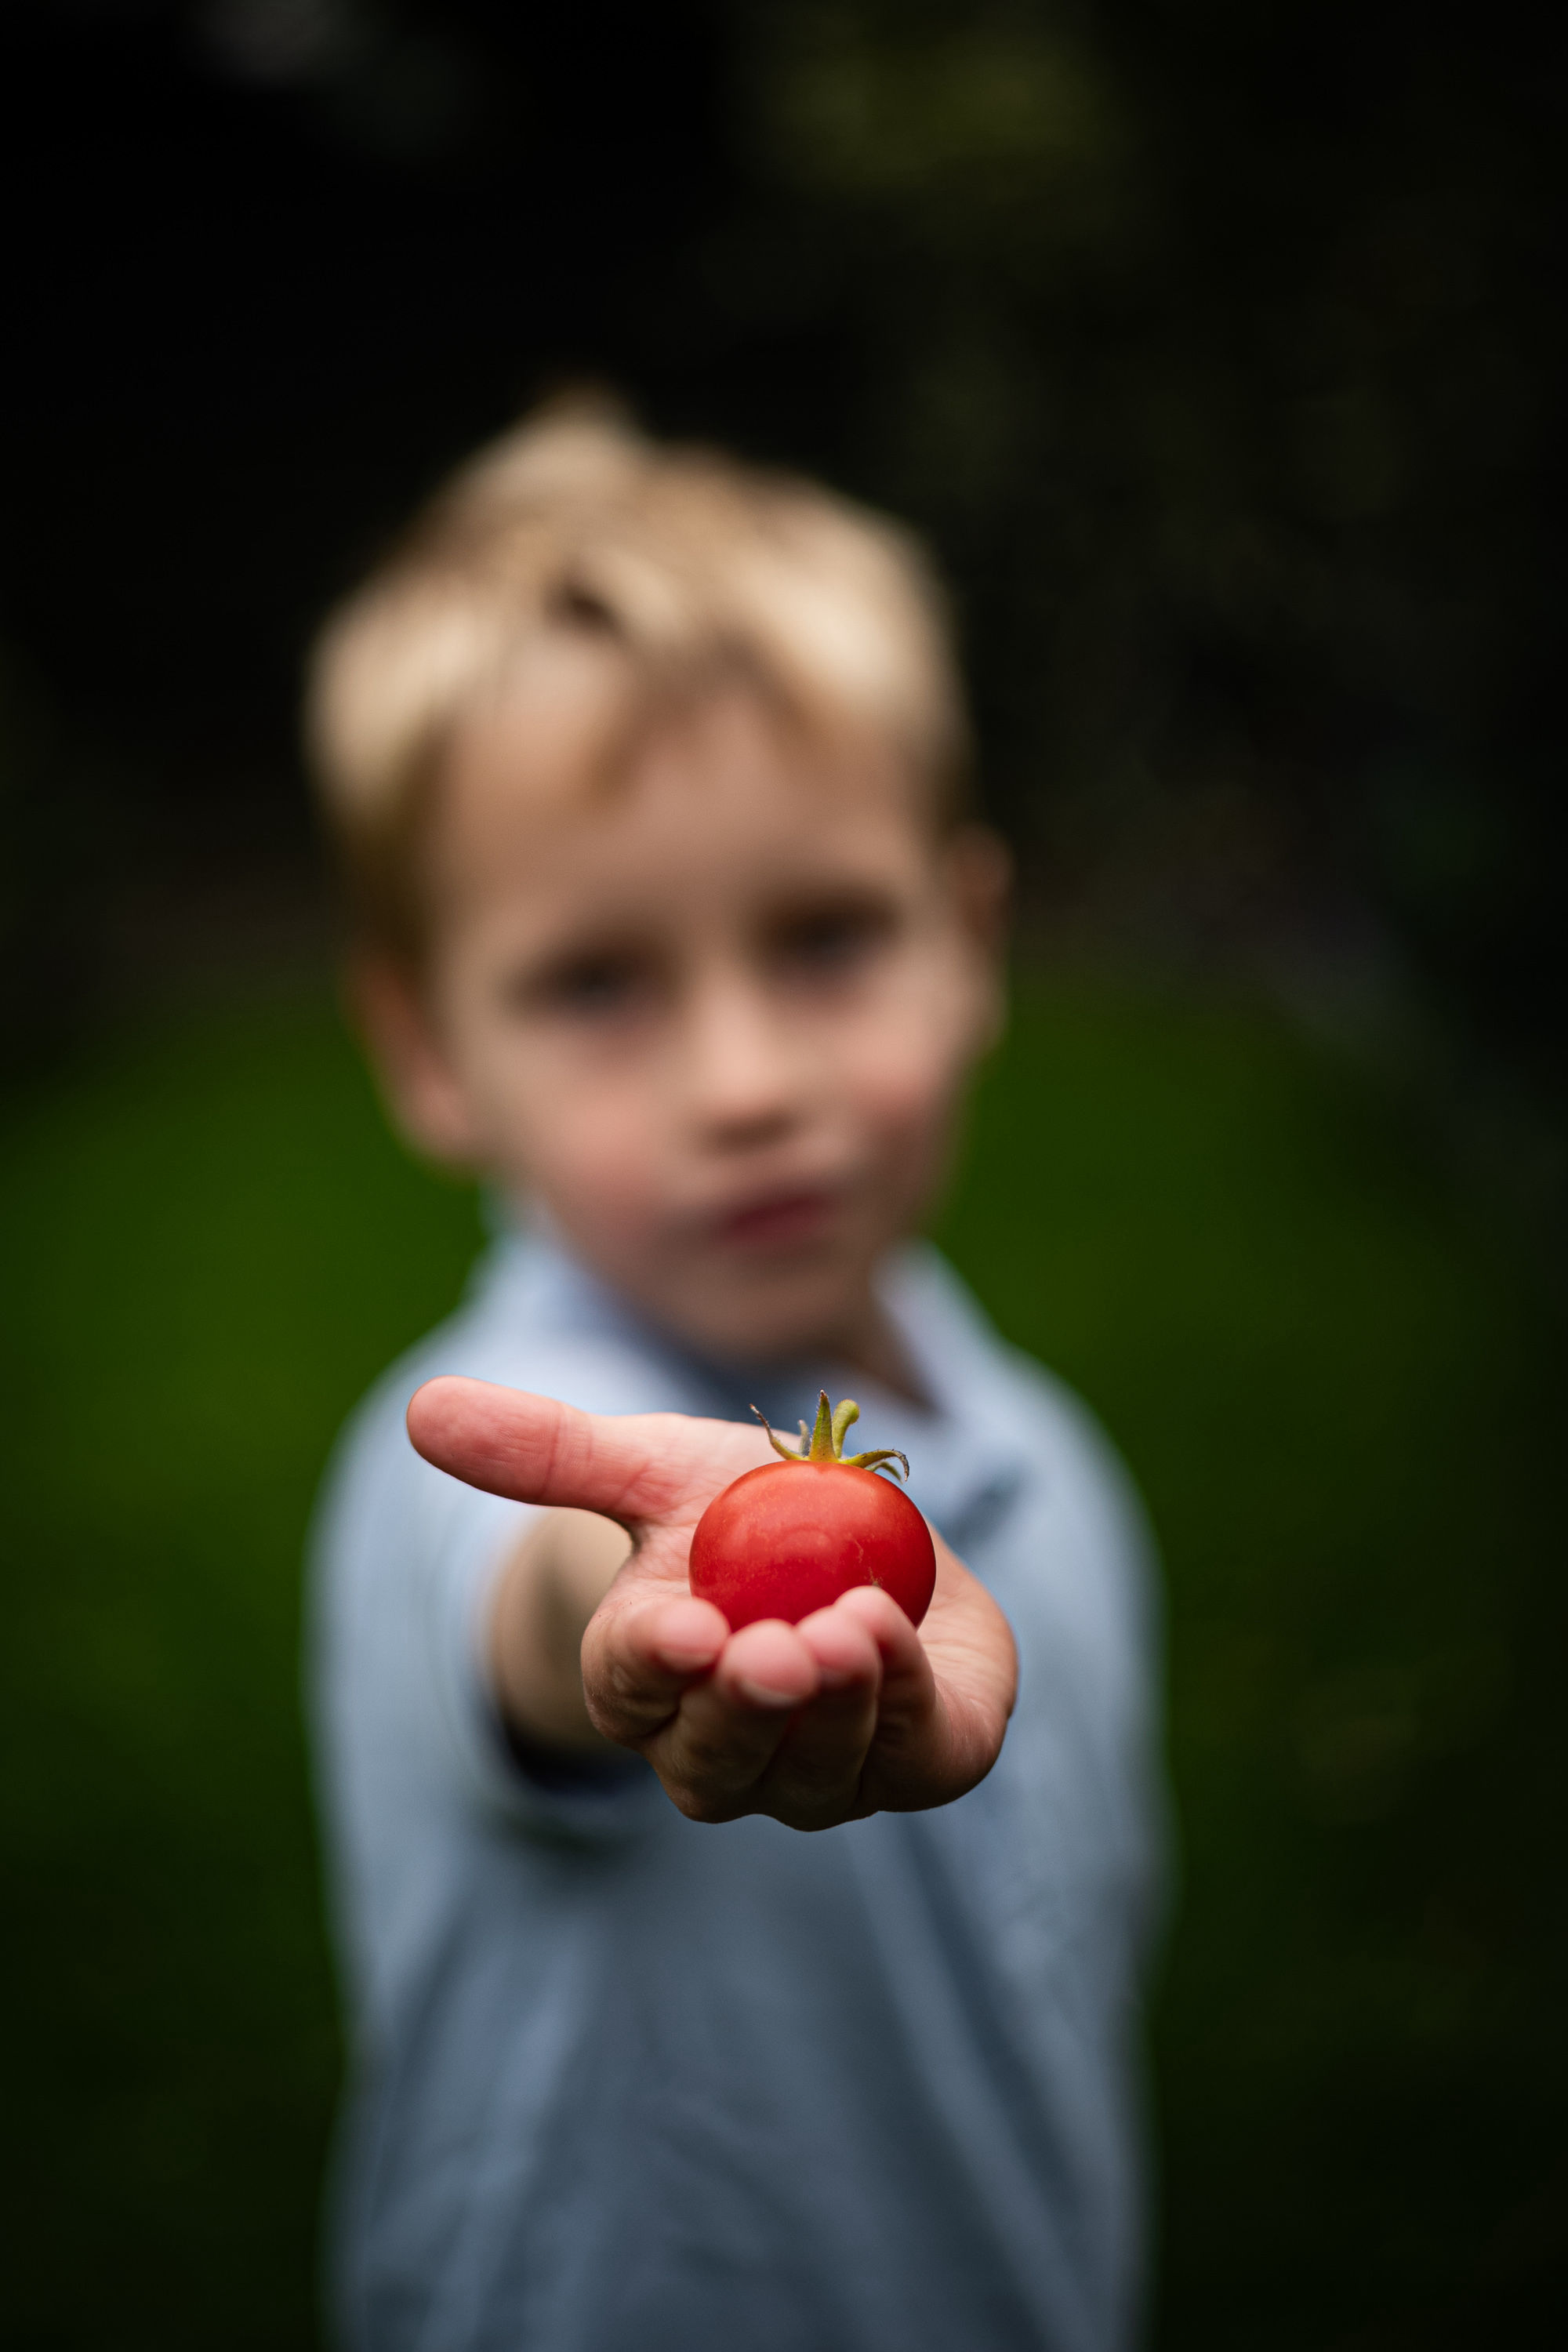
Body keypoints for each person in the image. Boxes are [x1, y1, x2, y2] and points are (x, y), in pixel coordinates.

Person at [305, 397, 1165, 2352]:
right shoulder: (489, 1457)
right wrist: (645, 1611)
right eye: (598, 982)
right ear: (428, 1048)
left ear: (969, 943)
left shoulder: (1033, 1445)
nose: (747, 1083)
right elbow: (532, 1612)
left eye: (829, 939)